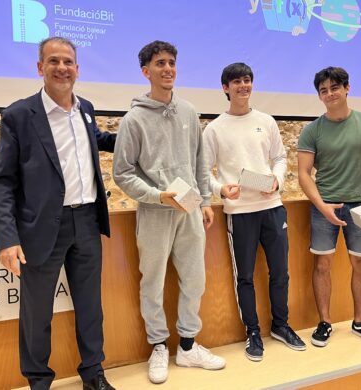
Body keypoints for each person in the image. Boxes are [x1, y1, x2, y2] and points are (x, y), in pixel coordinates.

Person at [0, 37, 116, 390]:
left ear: (78, 68)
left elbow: (99, 140)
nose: (63, 68)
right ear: (40, 67)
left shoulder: (85, 109)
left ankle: (94, 374)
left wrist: (139, 135)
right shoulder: (19, 115)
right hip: (42, 229)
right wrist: (7, 239)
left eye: (69, 62)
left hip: (87, 222)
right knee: (37, 312)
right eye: (54, 61)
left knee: (91, 306)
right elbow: (1, 183)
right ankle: (39, 381)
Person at [112, 40, 225, 384]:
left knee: (195, 279)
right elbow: (123, 173)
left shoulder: (189, 112)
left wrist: (205, 200)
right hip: (156, 212)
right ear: (146, 71)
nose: (168, 69)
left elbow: (199, 160)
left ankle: (188, 346)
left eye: (172, 62)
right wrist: (159, 196)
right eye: (160, 63)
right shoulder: (133, 120)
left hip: (190, 210)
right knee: (154, 281)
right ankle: (159, 345)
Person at [203, 63, 306, 362]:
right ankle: (252, 332)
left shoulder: (267, 121)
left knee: (281, 273)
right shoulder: (214, 129)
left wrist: (277, 179)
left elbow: (280, 158)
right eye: (236, 82)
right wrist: (221, 189)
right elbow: (203, 171)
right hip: (240, 212)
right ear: (225, 88)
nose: (243, 86)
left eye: (247, 80)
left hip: (272, 208)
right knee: (245, 277)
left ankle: (281, 326)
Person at [297, 66, 361, 348]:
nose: (329, 94)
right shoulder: (312, 130)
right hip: (325, 208)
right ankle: (324, 323)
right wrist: (322, 206)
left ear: (347, 88)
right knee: (322, 264)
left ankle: (360, 322)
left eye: (334, 88)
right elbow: (303, 174)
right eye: (323, 90)